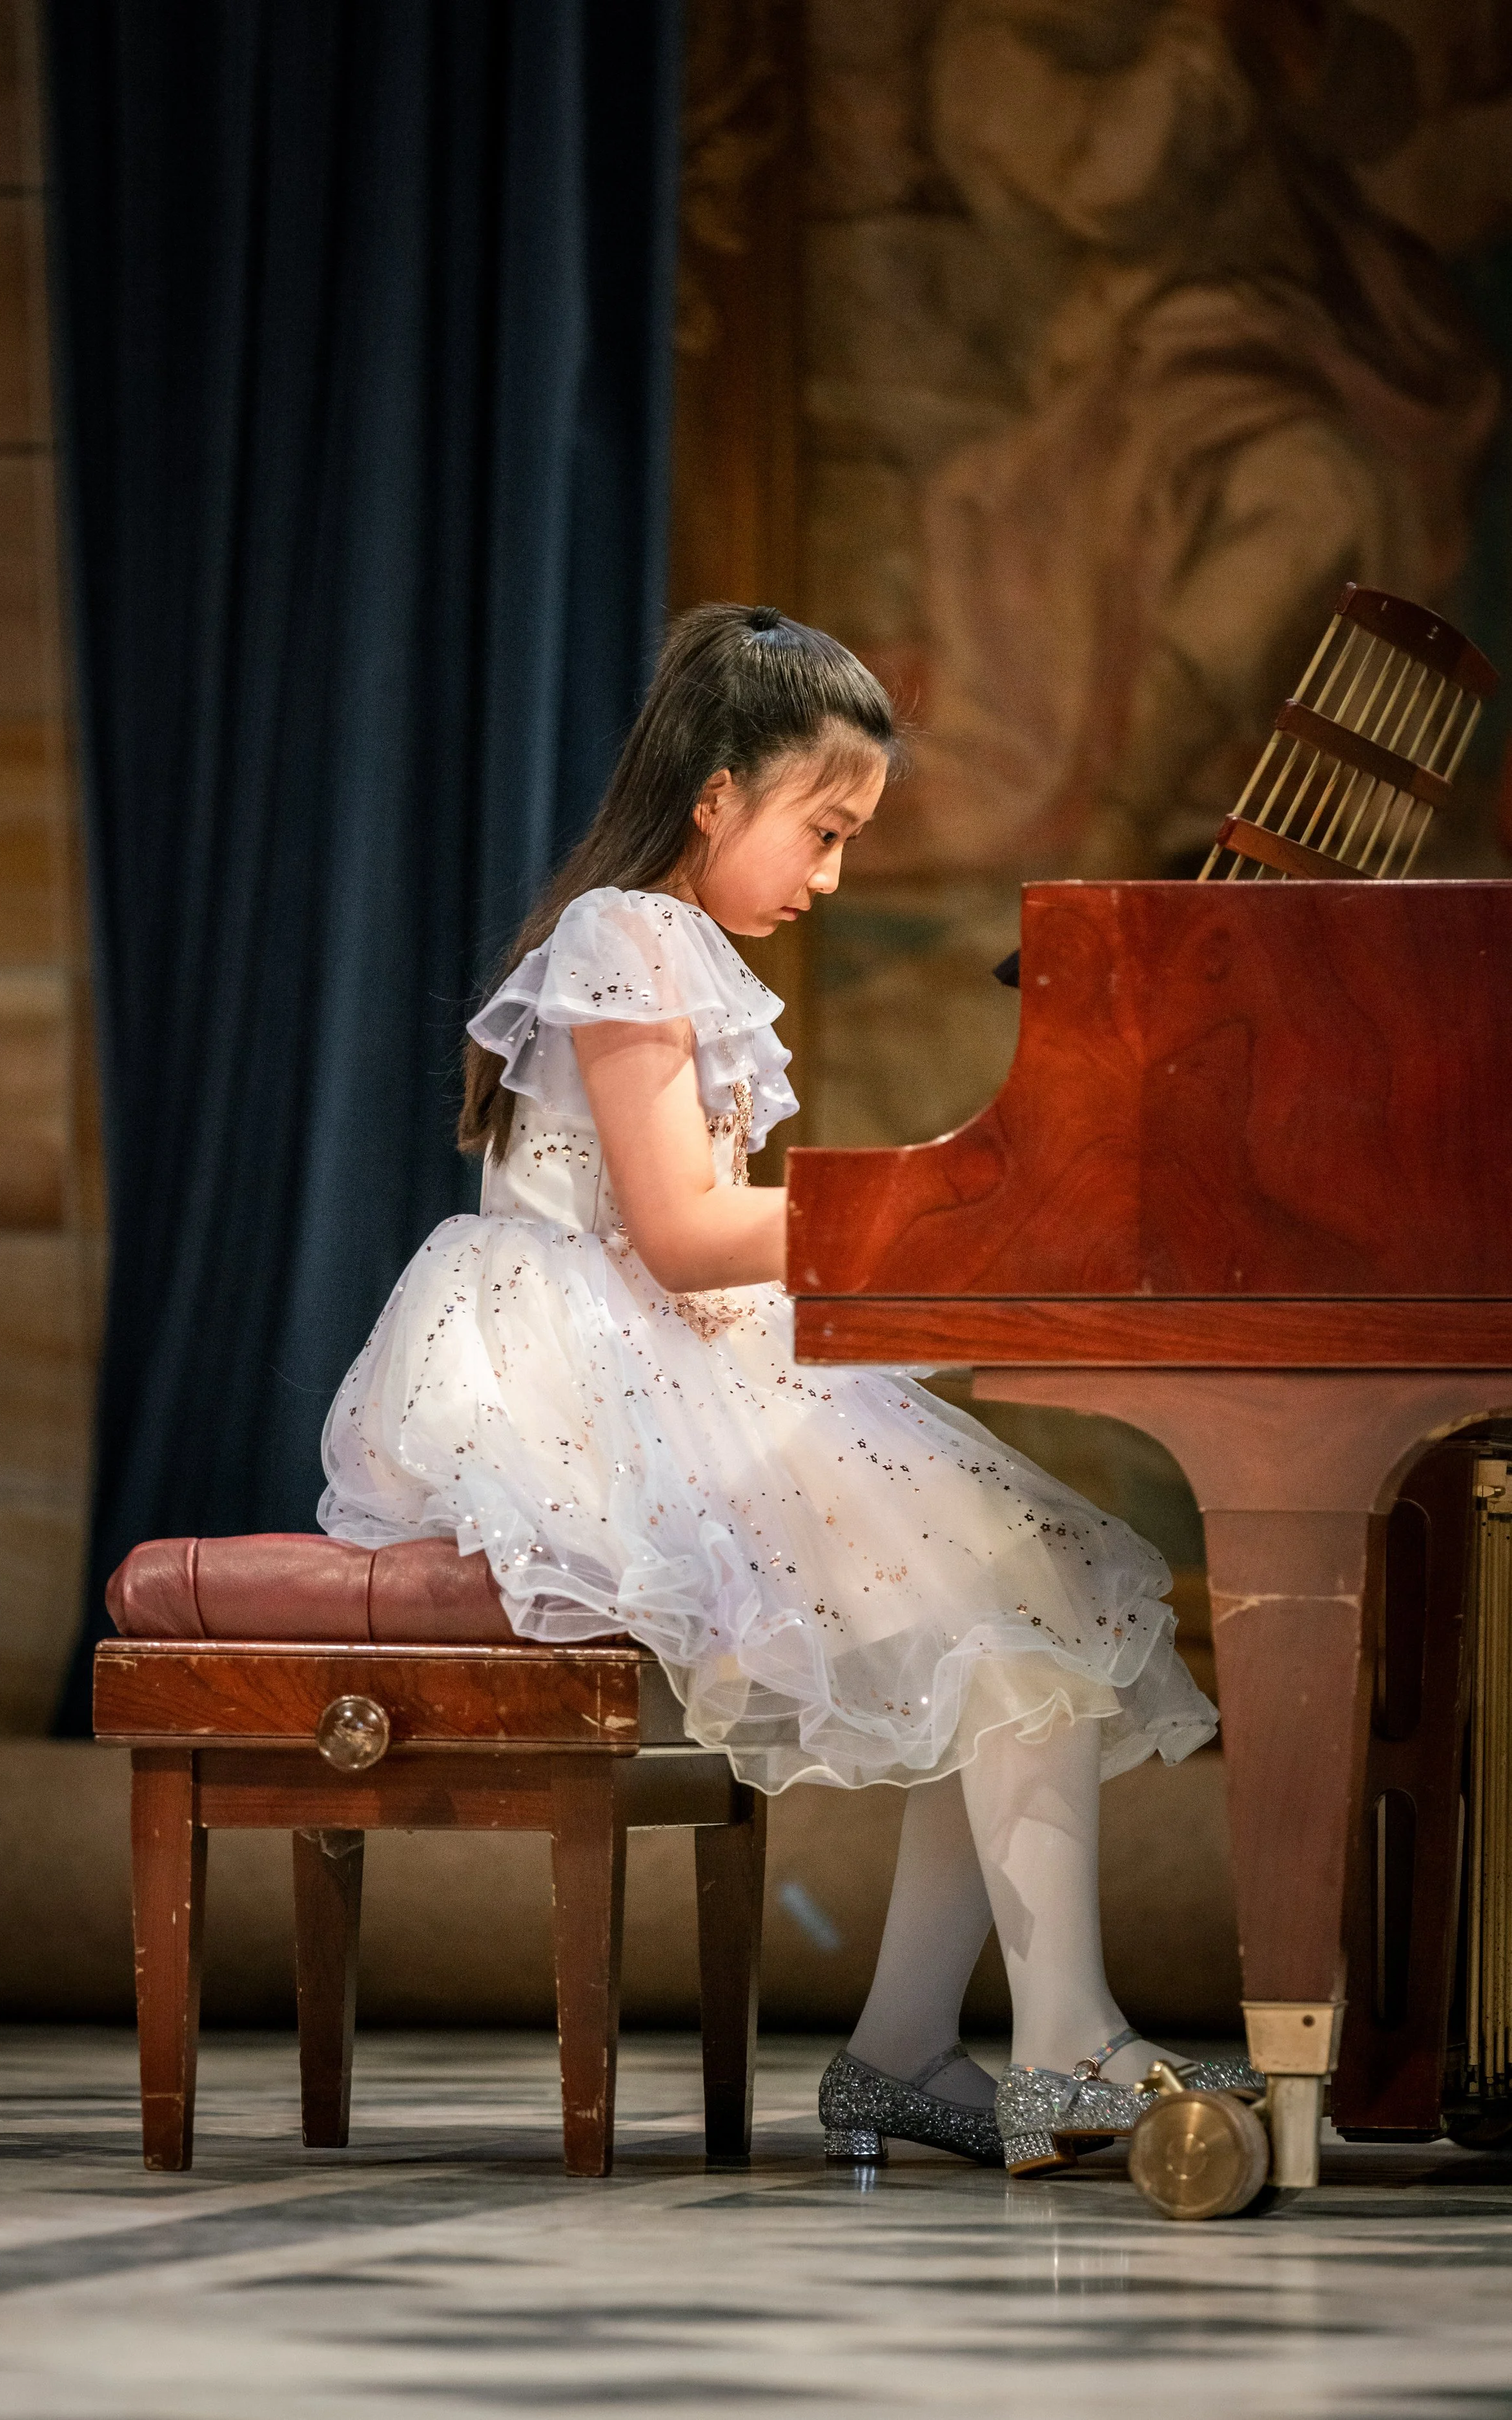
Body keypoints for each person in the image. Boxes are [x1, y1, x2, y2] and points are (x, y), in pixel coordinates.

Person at [318, 602, 1253, 2173]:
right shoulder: (624, 932)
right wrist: (935, 1206)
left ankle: (911, 2049)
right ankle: (1059, 2041)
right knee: (1015, 1629)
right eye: (819, 831)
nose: (827, 877)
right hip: (598, 1378)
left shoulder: (676, 947)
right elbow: (684, 1233)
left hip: (680, 1355)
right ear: (715, 793)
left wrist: (936, 1255)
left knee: (1019, 1618)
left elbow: (727, 1248)